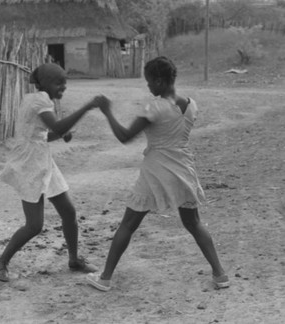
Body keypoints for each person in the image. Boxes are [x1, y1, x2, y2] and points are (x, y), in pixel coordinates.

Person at [86, 56, 229, 292]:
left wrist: (108, 111)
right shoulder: (191, 104)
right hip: (183, 168)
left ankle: (105, 277)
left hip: (155, 170)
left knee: (128, 223)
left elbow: (124, 136)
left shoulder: (154, 107)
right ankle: (220, 274)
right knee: (193, 222)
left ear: (160, 81)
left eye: (150, 82)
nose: (148, 87)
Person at [0, 63, 106, 282]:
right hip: (30, 164)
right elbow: (57, 127)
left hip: (41, 159)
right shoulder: (41, 100)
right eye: (58, 82)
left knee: (69, 212)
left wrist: (60, 135)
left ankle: (73, 259)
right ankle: (1, 262)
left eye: (65, 82)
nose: (63, 87)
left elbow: (39, 134)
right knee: (34, 225)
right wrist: (87, 107)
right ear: (44, 83)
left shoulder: (32, 99)